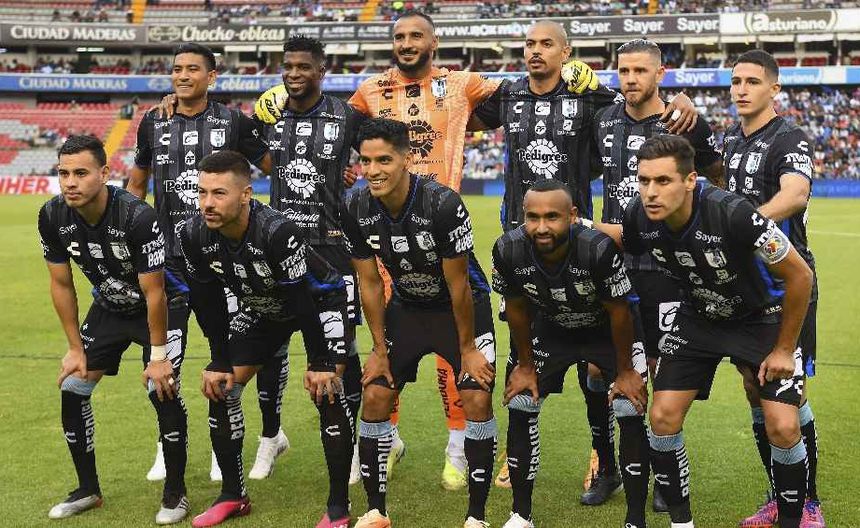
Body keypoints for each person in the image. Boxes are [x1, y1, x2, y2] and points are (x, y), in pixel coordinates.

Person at [470, 20, 698, 499]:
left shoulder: (594, 101)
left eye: (546, 44)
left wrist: (682, 102)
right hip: (523, 245)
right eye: (529, 43)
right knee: (526, 349)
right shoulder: (508, 94)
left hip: (584, 246)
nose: (535, 51)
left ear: (566, 52)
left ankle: (631, 462)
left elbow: (641, 104)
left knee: (609, 361)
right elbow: (453, 114)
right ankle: (552, 456)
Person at [602, 134, 813, 528]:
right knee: (662, 416)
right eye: (644, 180)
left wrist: (784, 349)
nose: (650, 192)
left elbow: (800, 275)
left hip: (759, 319)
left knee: (784, 427)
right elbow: (623, 239)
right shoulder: (637, 215)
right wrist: (574, 223)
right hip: (698, 317)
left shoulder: (734, 214)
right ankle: (681, 523)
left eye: (663, 181)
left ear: (690, 180)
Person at [128, 43, 291, 482]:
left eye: (192, 69)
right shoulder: (153, 121)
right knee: (163, 355)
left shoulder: (233, 121)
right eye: (177, 69)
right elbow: (137, 183)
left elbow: (275, 166)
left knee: (244, 353)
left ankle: (250, 440)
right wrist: (128, 236)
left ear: (212, 76)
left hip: (228, 260)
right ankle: (166, 442)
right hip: (170, 262)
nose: (183, 76)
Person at [178, 151, 354, 528]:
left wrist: (320, 361)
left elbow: (301, 299)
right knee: (221, 387)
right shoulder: (192, 234)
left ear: (246, 194)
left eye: (219, 193)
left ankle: (339, 507)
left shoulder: (277, 230)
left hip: (319, 303)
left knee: (326, 389)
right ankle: (233, 495)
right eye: (202, 192)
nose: (207, 203)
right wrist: (219, 360)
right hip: (263, 306)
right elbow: (207, 302)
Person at [341, 119, 497, 528]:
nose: (372, 170)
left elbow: (459, 284)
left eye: (384, 160)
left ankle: (476, 516)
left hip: (460, 309)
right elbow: (370, 282)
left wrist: (467, 350)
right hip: (408, 307)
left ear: (406, 159)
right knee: (376, 394)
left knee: (476, 397)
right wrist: (379, 350)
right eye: (365, 161)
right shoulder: (354, 206)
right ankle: (376, 511)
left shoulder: (441, 203)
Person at [592, 38, 724, 512]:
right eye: (624, 70)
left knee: (665, 375)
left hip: (668, 269)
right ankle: (607, 467)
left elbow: (718, 177)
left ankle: (666, 477)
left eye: (640, 71)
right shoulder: (603, 119)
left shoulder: (680, 122)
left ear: (660, 74)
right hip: (613, 263)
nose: (631, 79)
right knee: (601, 370)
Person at [40, 135, 190, 524]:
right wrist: (75, 348)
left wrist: (159, 357)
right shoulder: (52, 215)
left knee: (161, 387)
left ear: (105, 173)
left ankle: (175, 493)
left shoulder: (137, 217)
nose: (70, 182)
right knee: (73, 386)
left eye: (81, 173)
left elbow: (155, 292)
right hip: (110, 305)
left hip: (161, 306)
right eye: (63, 173)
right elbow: (61, 284)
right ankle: (87, 490)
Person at [491, 178, 650, 528]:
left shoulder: (598, 248)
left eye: (552, 217)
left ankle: (635, 519)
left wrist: (625, 371)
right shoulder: (508, 249)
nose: (541, 227)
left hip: (606, 331)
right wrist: (525, 365)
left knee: (629, 406)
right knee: (521, 402)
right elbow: (516, 309)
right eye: (533, 217)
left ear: (573, 215)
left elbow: (620, 312)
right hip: (553, 328)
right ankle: (521, 515)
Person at [256, 35, 368, 489]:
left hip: (332, 247)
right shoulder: (270, 114)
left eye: (303, 66)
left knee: (343, 349)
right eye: (288, 66)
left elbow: (382, 152)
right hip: (278, 247)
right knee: (271, 343)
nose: (294, 73)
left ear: (322, 71)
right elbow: (259, 157)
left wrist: (351, 173)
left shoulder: (347, 117)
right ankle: (270, 436)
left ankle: (355, 442)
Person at [723, 50, 824, 528]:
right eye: (736, 81)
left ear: (774, 88)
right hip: (746, 286)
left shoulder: (789, 137)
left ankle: (808, 503)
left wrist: (748, 224)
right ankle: (776, 496)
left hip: (787, 285)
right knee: (753, 387)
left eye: (752, 81)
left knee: (789, 398)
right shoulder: (730, 138)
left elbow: (795, 193)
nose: (741, 89)